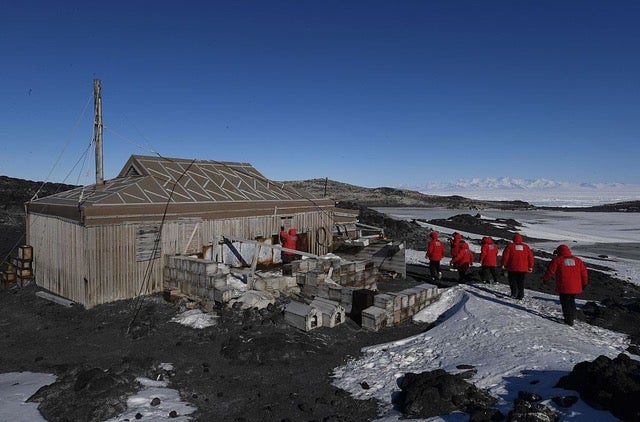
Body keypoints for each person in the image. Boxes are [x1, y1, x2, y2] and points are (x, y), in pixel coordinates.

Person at [543, 244, 588, 326]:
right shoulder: (577, 260)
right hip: (575, 286)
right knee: (571, 300)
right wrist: (584, 283)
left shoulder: (557, 260)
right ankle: (573, 316)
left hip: (564, 286)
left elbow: (550, 271)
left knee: (565, 303)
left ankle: (568, 320)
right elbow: (584, 273)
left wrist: (545, 279)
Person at [501, 233, 534, 299]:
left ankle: (514, 293)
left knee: (512, 281)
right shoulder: (526, 247)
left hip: (512, 267)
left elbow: (505, 257)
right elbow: (530, 257)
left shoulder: (510, 246)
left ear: (513, 239)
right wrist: (530, 266)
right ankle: (521, 295)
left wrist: (503, 264)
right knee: (521, 282)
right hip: (523, 268)